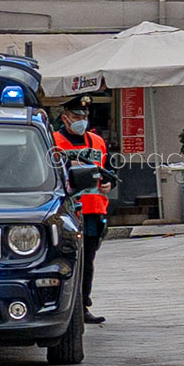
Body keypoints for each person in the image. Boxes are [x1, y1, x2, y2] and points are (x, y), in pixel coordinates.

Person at [53, 95, 115, 324]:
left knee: (87, 261)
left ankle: (83, 304)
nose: (81, 120)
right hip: (66, 212)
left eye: (84, 116)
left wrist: (111, 184)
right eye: (76, 116)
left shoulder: (97, 141)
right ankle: (64, 305)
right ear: (65, 118)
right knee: (68, 261)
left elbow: (107, 171)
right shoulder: (53, 141)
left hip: (93, 211)